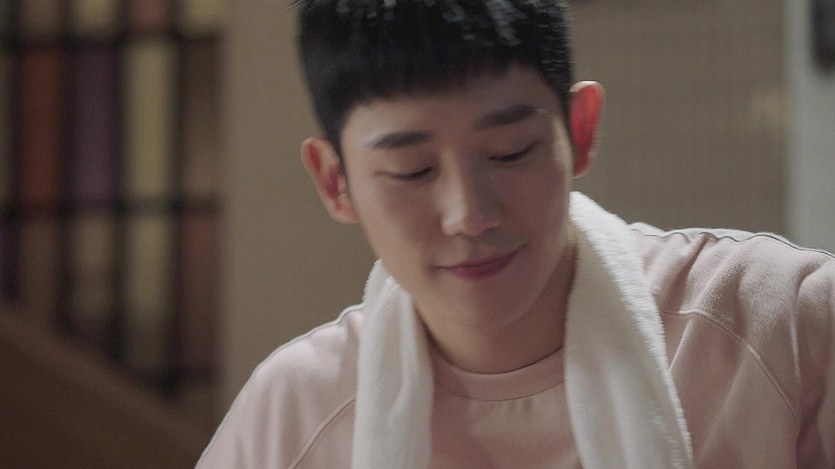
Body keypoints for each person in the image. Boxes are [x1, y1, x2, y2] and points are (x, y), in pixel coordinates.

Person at [197, 1, 834, 468]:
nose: (470, 213)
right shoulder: (294, 413)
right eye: (412, 170)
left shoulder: (779, 324)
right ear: (335, 181)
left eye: (510, 152)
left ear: (580, 130)